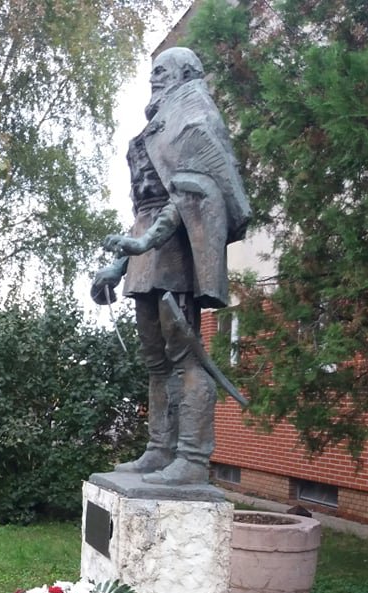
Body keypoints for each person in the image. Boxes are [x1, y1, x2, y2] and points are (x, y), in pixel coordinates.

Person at [92, 47, 250, 485]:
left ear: (186, 73)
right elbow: (143, 210)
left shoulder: (195, 116)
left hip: (176, 253)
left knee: (185, 357)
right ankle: (159, 449)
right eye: (153, 71)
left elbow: (188, 193)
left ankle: (192, 458)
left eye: (163, 71)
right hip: (146, 254)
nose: (154, 77)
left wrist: (146, 242)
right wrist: (121, 263)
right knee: (155, 361)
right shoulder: (158, 125)